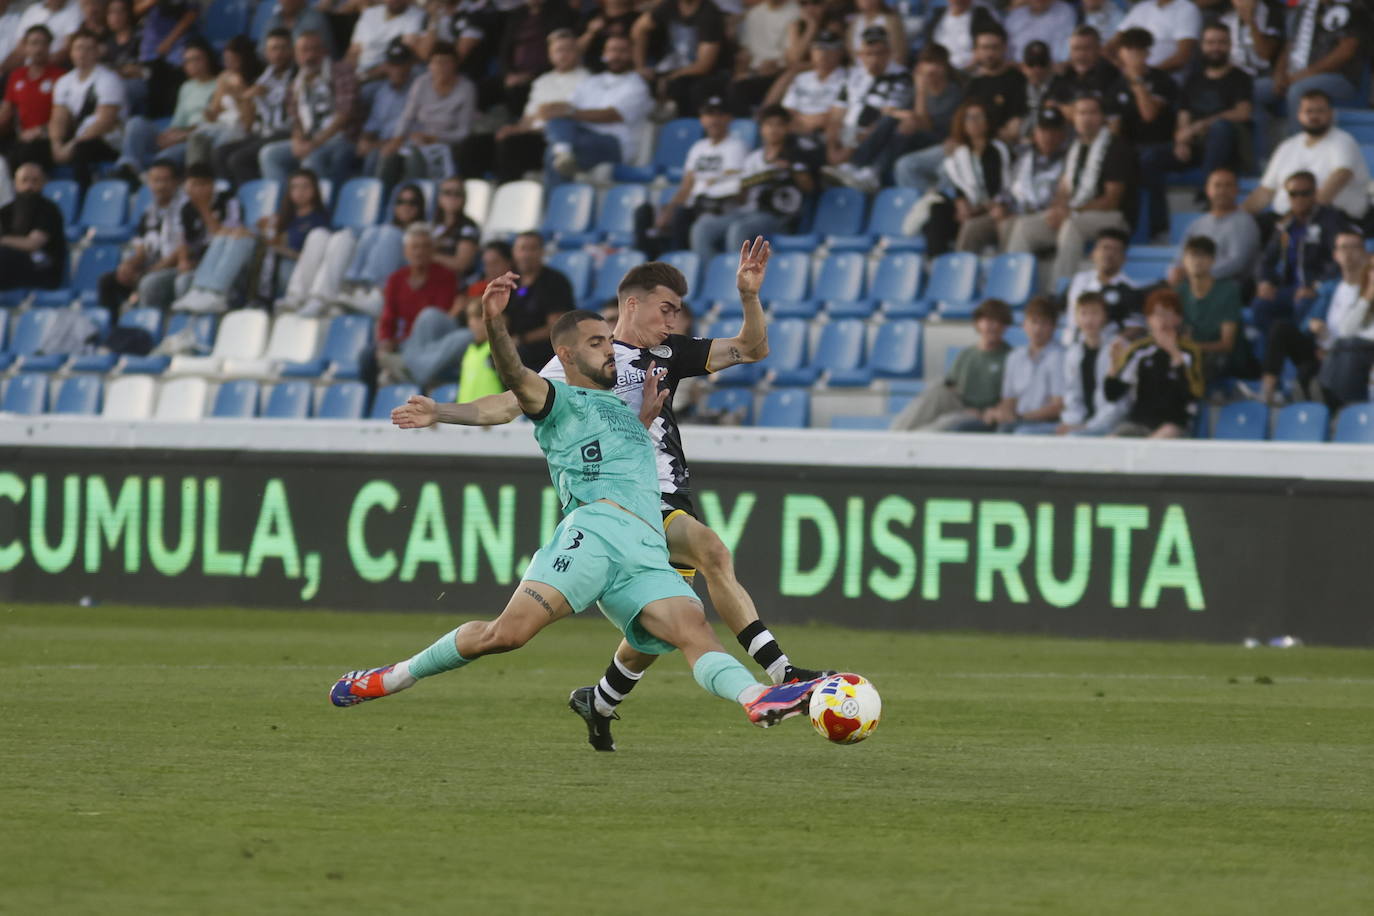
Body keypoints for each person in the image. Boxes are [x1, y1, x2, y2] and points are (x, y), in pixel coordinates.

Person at [332, 262, 829, 739]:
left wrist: (647, 417)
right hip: (594, 533)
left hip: (645, 545)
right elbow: (509, 392)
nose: (610, 349)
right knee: (506, 635)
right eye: (598, 342)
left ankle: (754, 698)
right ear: (570, 355)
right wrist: (472, 357)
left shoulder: (638, 401)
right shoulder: (558, 393)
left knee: (690, 632)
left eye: (609, 342)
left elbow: (748, 350)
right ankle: (394, 677)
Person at [1004, 93, 1133, 288]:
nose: (1086, 118)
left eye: (1092, 113)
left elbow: (1111, 200)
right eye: (1081, 113)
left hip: (1113, 217)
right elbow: (1064, 189)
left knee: (1071, 226)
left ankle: (1061, 291)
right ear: (1074, 119)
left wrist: (1070, 212)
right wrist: (1057, 209)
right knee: (1024, 227)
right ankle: (1013, 289)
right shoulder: (1075, 147)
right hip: (1078, 214)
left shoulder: (1117, 147)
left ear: (1102, 118)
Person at [1246, 227, 1369, 406]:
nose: (1348, 253)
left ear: (1364, 253)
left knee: (1307, 372)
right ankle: (1267, 393)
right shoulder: (1329, 288)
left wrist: (1332, 351)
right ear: (1335, 255)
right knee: (1281, 329)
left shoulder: (1369, 291)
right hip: (1319, 351)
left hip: (1348, 355)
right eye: (1343, 247)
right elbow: (1305, 325)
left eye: (1354, 247)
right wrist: (1312, 326)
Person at [278, 182, 427, 317]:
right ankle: (328, 295)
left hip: (401, 275)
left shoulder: (426, 232)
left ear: (420, 207)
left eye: (412, 203)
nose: (406, 206)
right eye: (401, 202)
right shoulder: (379, 231)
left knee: (390, 232)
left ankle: (376, 295)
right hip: (368, 272)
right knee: (343, 236)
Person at [460, 28, 586, 183]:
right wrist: (515, 128)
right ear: (550, 55)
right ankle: (472, 193)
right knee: (473, 145)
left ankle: (508, 191)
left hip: (555, 138)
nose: (563, 54)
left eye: (568, 49)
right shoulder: (542, 81)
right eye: (558, 50)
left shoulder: (587, 79)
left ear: (578, 52)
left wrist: (540, 118)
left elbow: (570, 115)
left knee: (511, 145)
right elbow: (529, 116)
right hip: (530, 132)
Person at [691, 104, 812, 262]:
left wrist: (792, 170)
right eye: (769, 125)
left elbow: (809, 188)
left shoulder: (795, 154)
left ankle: (745, 283)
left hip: (778, 215)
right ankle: (714, 277)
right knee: (702, 228)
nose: (774, 129)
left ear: (788, 128)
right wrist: (738, 188)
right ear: (761, 128)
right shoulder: (753, 158)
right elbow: (742, 197)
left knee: (738, 230)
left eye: (779, 125)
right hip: (749, 211)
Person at [1245, 89, 1370, 224]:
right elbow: (1266, 190)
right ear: (1299, 115)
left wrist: (1303, 212)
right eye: (1309, 111)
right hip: (1285, 218)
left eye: (1320, 111)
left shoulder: (1343, 141)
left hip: (1331, 219)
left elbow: (1341, 176)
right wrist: (1238, 214)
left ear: (1331, 114)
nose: (1314, 116)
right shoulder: (1287, 146)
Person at [1249, 170, 1347, 342]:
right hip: (1288, 289)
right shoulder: (1285, 225)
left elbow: (1338, 260)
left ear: (1315, 193)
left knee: (1303, 305)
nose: (1299, 199)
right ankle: (1280, 352)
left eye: (1305, 193)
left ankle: (1299, 355)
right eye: (1294, 194)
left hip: (1317, 289)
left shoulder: (1330, 220)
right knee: (1260, 306)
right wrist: (1265, 282)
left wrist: (1316, 286)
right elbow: (1266, 261)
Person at [889, 298, 1013, 431]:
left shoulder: (1011, 357)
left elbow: (1012, 397)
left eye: (997, 322)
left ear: (1005, 326)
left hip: (985, 414)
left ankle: (912, 441)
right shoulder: (966, 354)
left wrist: (987, 412)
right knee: (936, 390)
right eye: (988, 321)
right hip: (962, 406)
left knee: (948, 422)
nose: (992, 326)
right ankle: (895, 433)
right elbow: (951, 386)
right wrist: (965, 408)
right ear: (978, 323)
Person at [542, 34, 651, 185]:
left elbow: (611, 115)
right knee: (557, 127)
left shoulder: (637, 85)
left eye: (622, 51)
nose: (616, 55)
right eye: (612, 50)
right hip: (581, 135)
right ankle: (563, 152)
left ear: (632, 54)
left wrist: (570, 113)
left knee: (553, 152)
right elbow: (566, 108)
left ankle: (556, 199)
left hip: (614, 143)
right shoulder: (591, 81)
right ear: (604, 54)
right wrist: (552, 110)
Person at [372, 222, 469, 388]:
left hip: (438, 337)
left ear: (432, 250)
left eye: (425, 247)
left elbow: (442, 314)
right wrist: (385, 340)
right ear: (406, 251)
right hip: (410, 343)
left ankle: (409, 369)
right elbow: (388, 316)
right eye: (415, 247)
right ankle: (416, 371)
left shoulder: (446, 276)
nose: (419, 252)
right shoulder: (396, 279)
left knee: (431, 316)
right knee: (367, 356)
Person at [258, 31, 358, 186]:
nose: (310, 56)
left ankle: (316, 207)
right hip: (311, 140)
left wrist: (315, 143)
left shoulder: (340, 71)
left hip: (340, 139)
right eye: (304, 50)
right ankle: (282, 205)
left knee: (311, 157)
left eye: (315, 49)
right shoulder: (296, 83)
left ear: (325, 51)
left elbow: (345, 114)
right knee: (269, 154)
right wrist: (297, 140)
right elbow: (295, 120)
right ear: (296, 55)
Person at [1255, 0, 1366, 139]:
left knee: (1298, 90)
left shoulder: (1352, 8)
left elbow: (1346, 50)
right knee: (1255, 90)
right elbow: (1289, 46)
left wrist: (1303, 76)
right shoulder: (1302, 8)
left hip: (1340, 79)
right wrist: (1279, 75)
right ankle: (1261, 156)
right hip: (1295, 76)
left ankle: (1302, 150)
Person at [1104, 288, 1204, 438]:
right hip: (1138, 422)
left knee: (1161, 439)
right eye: (1157, 314)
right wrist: (1113, 366)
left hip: (1174, 424)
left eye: (1168, 314)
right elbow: (1112, 394)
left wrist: (1175, 355)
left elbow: (1195, 393)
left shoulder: (1190, 352)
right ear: (1149, 319)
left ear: (1178, 318)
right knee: (1111, 442)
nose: (1162, 320)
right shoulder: (1138, 350)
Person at [821, 26, 910, 192]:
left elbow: (886, 117)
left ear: (889, 53)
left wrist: (849, 149)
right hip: (844, 135)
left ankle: (855, 169)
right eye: (869, 54)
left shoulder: (901, 76)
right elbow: (836, 115)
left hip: (868, 139)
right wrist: (832, 148)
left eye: (880, 53)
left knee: (891, 121)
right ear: (860, 55)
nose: (874, 59)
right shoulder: (852, 75)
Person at [660, 96, 747, 261]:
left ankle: (687, 272)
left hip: (718, 207)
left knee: (685, 219)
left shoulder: (736, 146)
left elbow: (731, 182)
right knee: (646, 213)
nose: (714, 120)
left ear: (729, 118)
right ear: (702, 119)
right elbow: (686, 185)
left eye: (719, 115)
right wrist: (668, 210)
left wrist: (709, 183)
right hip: (694, 206)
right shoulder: (698, 148)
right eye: (709, 115)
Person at [920, 98, 1011, 256]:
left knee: (971, 225)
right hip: (969, 208)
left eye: (979, 117)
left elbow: (1005, 186)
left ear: (988, 122)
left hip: (992, 208)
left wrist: (980, 209)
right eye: (969, 118)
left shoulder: (998, 150)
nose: (974, 122)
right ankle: (936, 263)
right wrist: (960, 203)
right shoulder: (960, 154)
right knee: (937, 212)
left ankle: (961, 268)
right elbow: (958, 186)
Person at [377, 40, 478, 184]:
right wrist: (397, 139)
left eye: (446, 62)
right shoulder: (421, 83)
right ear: (429, 65)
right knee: (386, 154)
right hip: (418, 139)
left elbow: (463, 132)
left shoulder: (467, 89)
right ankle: (382, 198)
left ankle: (418, 195)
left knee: (415, 156)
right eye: (436, 62)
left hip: (447, 143)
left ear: (455, 64)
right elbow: (407, 116)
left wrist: (435, 138)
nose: (440, 67)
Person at [1163, 25, 1253, 185]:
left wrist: (1202, 124)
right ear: (1202, 46)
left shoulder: (1241, 77)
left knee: (1220, 128)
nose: (1215, 47)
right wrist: (1181, 141)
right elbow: (1184, 114)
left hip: (1228, 146)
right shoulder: (1192, 80)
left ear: (1230, 45)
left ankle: (1209, 193)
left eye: (1221, 42)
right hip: (1195, 145)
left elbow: (1243, 113)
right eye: (1210, 42)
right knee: (1150, 158)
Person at [1111, 28, 1178, 241]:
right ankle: (1120, 229)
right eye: (1128, 50)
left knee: (1148, 160)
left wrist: (1137, 82)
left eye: (1139, 50)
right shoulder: (1114, 87)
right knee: (1118, 162)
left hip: (1163, 145)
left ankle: (1159, 228)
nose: (1133, 55)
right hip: (1130, 148)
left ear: (1148, 54)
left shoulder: (1161, 81)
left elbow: (1148, 114)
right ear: (1121, 53)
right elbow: (1114, 128)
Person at [96, 158, 185, 313]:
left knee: (147, 282)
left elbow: (182, 250)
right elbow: (141, 249)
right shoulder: (148, 212)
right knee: (108, 280)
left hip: (173, 268)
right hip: (151, 266)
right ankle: (112, 327)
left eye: (165, 180)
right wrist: (129, 265)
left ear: (176, 182)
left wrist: (152, 270)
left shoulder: (185, 209)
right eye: (156, 181)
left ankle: (146, 327)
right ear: (149, 183)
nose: (160, 186)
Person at [213, 28, 295, 186]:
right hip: (263, 132)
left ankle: (256, 198)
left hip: (285, 132)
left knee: (238, 159)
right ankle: (229, 199)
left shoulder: (297, 75)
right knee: (220, 153)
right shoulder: (262, 78)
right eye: (274, 48)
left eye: (283, 48)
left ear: (292, 50)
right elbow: (248, 121)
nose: (278, 53)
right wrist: (241, 96)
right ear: (266, 53)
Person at [981, 106, 1068, 254]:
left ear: (1062, 134)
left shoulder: (1068, 159)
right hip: (1017, 211)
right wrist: (1000, 205)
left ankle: (1011, 271)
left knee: (1016, 225)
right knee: (974, 227)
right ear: (1035, 133)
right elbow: (1009, 187)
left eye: (1053, 131)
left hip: (1043, 216)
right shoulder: (1023, 155)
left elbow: (1061, 198)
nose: (1048, 136)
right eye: (1043, 130)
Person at [167, 163, 248, 313]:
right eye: (194, 185)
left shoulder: (228, 200)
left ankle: (215, 297)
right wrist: (183, 260)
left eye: (202, 184)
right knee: (181, 280)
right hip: (199, 260)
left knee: (185, 282)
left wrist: (204, 208)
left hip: (225, 258)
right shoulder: (185, 208)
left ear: (212, 184)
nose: (198, 189)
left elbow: (225, 234)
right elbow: (182, 238)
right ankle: (193, 302)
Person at [49, 28, 126, 186]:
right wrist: (56, 145)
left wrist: (71, 145)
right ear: (71, 53)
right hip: (79, 138)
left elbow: (105, 122)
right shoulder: (64, 82)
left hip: (108, 142)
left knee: (82, 149)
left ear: (97, 52)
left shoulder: (108, 79)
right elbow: (58, 118)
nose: (82, 53)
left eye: (88, 48)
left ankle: (83, 194)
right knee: (35, 148)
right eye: (78, 48)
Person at [1166, 168, 1261, 288]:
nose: (1222, 191)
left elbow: (1237, 263)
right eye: (1217, 185)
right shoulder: (1197, 224)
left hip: (1225, 287)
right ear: (1208, 190)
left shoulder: (1245, 223)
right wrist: (1175, 270)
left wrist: (1198, 273)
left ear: (1236, 190)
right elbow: (1181, 256)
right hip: (1192, 283)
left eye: (1228, 185)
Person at [630, 0, 726, 117]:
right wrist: (640, 66)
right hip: (671, 65)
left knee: (681, 87)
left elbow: (703, 66)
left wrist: (669, 77)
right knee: (637, 79)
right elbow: (638, 29)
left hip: (705, 74)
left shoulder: (709, 13)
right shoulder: (669, 5)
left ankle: (683, 127)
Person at [988, 296, 1065, 434]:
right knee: (964, 427)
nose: (1038, 329)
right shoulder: (1015, 356)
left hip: (1044, 421)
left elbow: (1058, 406)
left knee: (1006, 430)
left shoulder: (1060, 357)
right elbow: (1009, 399)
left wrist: (1020, 417)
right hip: (1018, 419)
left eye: (1044, 323)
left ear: (1053, 327)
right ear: (1024, 325)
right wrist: (1001, 413)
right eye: (1034, 322)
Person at [252, 167, 329, 305]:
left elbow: (312, 256)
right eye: (295, 187)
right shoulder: (285, 218)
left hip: (300, 268)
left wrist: (280, 247)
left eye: (305, 187)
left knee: (284, 266)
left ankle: (288, 300)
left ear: (315, 190)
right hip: (277, 264)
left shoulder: (319, 220)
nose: (300, 192)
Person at [1175, 235, 1247, 379]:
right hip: (1190, 353)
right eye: (1192, 255)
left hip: (1222, 358)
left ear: (1213, 261)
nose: (1197, 261)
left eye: (1203, 256)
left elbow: (1227, 344)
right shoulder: (1179, 291)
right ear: (1184, 260)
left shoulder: (1228, 291)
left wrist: (1193, 346)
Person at [1057, 292, 1129, 436]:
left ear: (1105, 317)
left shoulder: (1119, 348)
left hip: (1112, 424)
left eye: (1095, 313)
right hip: (1081, 422)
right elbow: (1072, 395)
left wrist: (1086, 427)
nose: (1089, 320)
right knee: (1028, 433)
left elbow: (1119, 403)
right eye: (1084, 313)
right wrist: (1071, 422)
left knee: (1073, 437)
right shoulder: (1073, 353)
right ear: (1076, 318)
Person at [1, 27, 66, 171]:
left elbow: (65, 116)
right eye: (34, 43)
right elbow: (5, 112)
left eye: (43, 44)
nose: (38, 48)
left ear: (49, 47)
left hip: (49, 137)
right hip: (22, 138)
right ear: (25, 47)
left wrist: (41, 131)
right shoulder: (16, 75)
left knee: (26, 152)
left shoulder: (60, 77)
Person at [506, 231, 574, 369]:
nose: (526, 255)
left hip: (545, 350)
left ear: (542, 252)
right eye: (522, 249)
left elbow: (556, 327)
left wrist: (521, 339)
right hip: (515, 345)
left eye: (532, 249)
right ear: (514, 252)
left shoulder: (555, 281)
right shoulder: (510, 281)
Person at [1062, 227, 1141, 345]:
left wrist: (1112, 345)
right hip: (1071, 348)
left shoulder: (1131, 289)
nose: (1109, 254)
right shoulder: (1078, 281)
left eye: (1115, 250)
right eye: (1105, 248)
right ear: (1093, 253)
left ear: (1124, 258)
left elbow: (1137, 327)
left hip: (1106, 351)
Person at [356, 39, 420, 184]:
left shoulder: (418, 88)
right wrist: (365, 139)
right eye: (393, 65)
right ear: (386, 66)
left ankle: (377, 200)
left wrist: (375, 145)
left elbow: (411, 130)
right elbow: (373, 123)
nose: (397, 70)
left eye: (402, 65)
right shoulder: (382, 91)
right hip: (381, 144)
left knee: (377, 156)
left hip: (405, 145)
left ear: (410, 65)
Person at [727, 0, 801, 115]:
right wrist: (741, 70)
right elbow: (745, 51)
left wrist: (778, 64)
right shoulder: (754, 13)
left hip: (779, 71)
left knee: (740, 88)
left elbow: (793, 58)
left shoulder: (796, 12)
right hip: (753, 71)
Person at [0, 161, 66, 290]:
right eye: (24, 180)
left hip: (42, 267)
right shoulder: (6, 211)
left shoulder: (49, 210)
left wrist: (3, 241)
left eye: (35, 181)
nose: (29, 186)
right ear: (15, 184)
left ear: (43, 183)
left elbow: (32, 244)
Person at [347, 0, 426, 102]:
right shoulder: (369, 13)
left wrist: (366, 76)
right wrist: (348, 76)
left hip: (385, 77)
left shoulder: (417, 15)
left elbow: (404, 53)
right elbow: (353, 51)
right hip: (359, 73)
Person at [961, 22, 1027, 143]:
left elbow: (1017, 119)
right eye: (985, 48)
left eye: (995, 47)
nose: (990, 53)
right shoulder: (972, 84)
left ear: (1004, 48)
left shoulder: (1018, 79)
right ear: (976, 51)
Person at [1106, 0, 1201, 78]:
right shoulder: (1141, 8)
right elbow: (1110, 46)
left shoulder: (1187, 8)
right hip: (1128, 76)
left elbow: (1182, 58)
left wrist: (1146, 74)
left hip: (1164, 78)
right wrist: (1122, 68)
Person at [1048, 26, 1124, 123]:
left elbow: (1108, 114)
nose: (1081, 54)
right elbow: (1049, 104)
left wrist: (1065, 109)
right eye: (1076, 49)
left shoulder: (1111, 74)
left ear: (1098, 49)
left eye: (1087, 48)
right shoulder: (1063, 73)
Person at [920, 0, 1000, 73]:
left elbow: (989, 41)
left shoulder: (982, 15)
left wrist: (972, 65)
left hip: (971, 71)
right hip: (941, 74)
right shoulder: (937, 15)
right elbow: (929, 46)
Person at [455, 297, 502, 402]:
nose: (471, 323)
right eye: (469, 318)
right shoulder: (468, 350)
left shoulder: (498, 351)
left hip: (493, 417)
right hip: (465, 416)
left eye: (477, 317)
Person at [432, 176, 480, 280]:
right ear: (440, 198)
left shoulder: (468, 227)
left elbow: (462, 264)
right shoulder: (434, 225)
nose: (452, 197)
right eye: (447, 192)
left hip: (454, 282)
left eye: (458, 194)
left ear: (464, 199)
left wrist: (430, 256)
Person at [1221, 0, 1282, 79]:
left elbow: (1265, 54)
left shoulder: (1271, 12)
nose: (1242, 3)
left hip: (1261, 74)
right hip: (1233, 74)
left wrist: (1250, 21)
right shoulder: (1225, 17)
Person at [259, 0, 336, 60]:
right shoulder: (273, 20)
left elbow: (311, 53)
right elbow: (261, 50)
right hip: (278, 72)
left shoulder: (315, 19)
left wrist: (275, 52)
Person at [1005, 0, 1076, 65]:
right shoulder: (1015, 15)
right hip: (1018, 67)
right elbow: (1007, 48)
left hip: (1050, 68)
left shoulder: (1064, 11)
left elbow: (1064, 47)